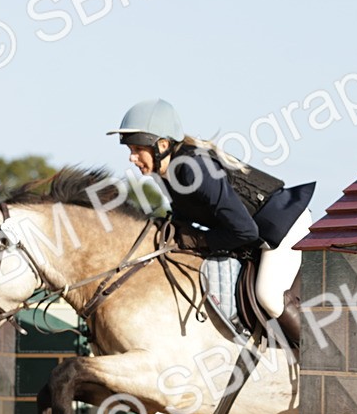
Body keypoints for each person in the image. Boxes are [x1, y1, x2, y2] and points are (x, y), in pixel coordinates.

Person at [107, 99, 315, 329]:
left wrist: (197, 239)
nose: (131, 157)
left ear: (162, 145)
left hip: (284, 227)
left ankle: (319, 355)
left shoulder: (193, 170)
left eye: (137, 150)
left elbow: (244, 230)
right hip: (256, 235)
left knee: (269, 297)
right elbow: (185, 215)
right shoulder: (165, 174)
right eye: (130, 150)